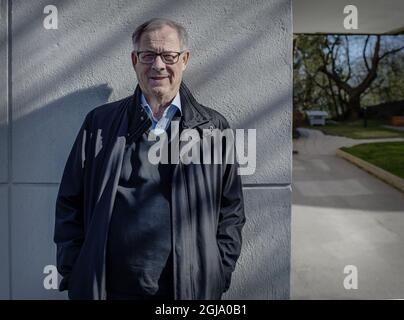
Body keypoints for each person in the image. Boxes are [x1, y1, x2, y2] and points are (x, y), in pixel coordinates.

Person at [54, 18, 245, 300]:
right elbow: (69, 202)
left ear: (184, 60)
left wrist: (217, 273)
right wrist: (76, 271)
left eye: (169, 56)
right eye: (148, 55)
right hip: (108, 290)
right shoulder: (99, 124)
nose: (158, 65)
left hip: (188, 291)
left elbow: (231, 210)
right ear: (135, 60)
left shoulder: (212, 128)